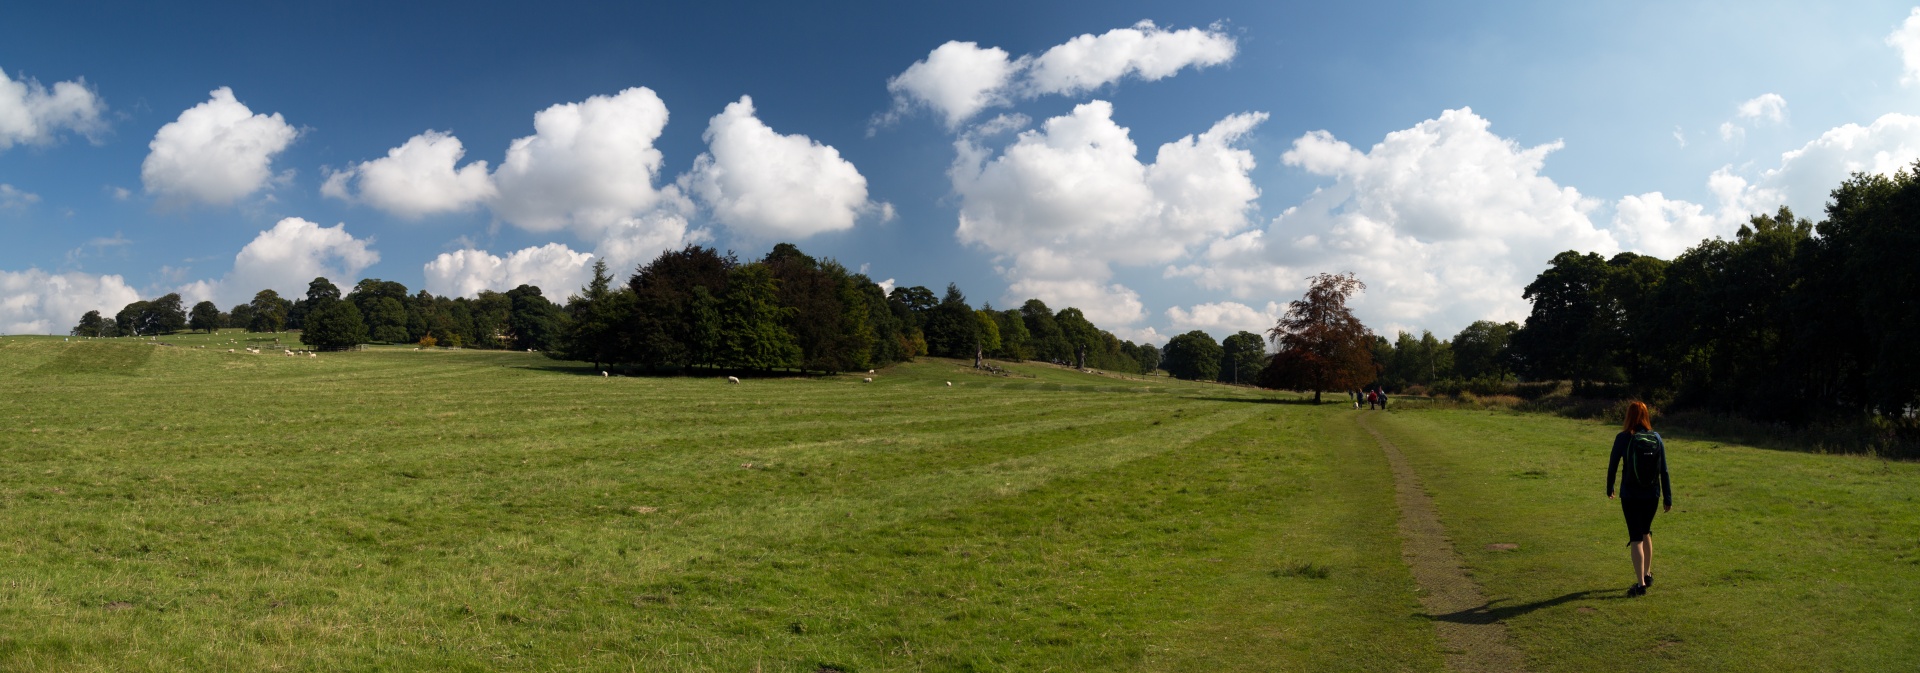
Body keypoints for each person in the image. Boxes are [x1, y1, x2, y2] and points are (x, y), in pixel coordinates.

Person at [1607, 400, 1672, 597]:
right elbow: (1664, 470)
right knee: (1646, 532)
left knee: (1635, 537)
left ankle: (1640, 584)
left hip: (1630, 494)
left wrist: (1609, 488)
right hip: (1652, 494)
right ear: (1646, 416)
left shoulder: (1622, 438)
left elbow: (1613, 465)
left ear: (1628, 416)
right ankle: (1648, 574)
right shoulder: (1656, 437)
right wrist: (1667, 498)